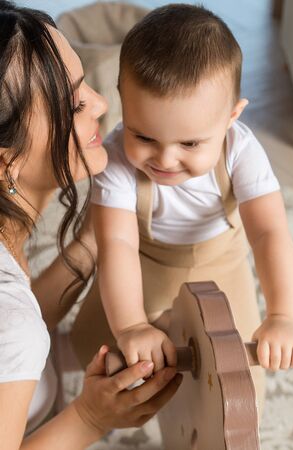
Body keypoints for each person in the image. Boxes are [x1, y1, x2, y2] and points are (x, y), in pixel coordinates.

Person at [88, 3, 293, 413]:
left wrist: (284, 314)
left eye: (189, 143)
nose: (165, 160)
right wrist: (131, 324)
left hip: (220, 264)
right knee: (110, 351)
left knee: (237, 377)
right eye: (143, 135)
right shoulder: (114, 157)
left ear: (231, 118)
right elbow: (115, 244)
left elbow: (270, 232)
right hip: (145, 263)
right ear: (123, 105)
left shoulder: (241, 148)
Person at [0, 1, 182, 449]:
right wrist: (88, 416)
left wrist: (91, 241)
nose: (102, 103)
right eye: (76, 102)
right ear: (8, 162)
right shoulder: (13, 325)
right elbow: (15, 328)